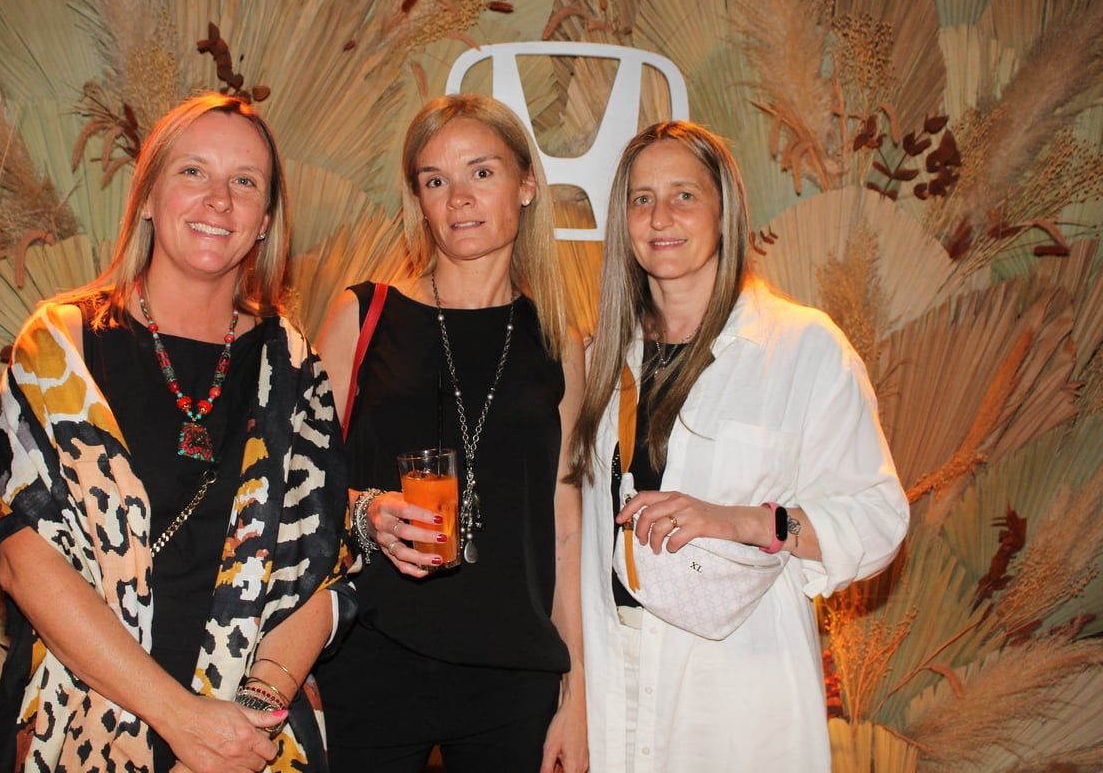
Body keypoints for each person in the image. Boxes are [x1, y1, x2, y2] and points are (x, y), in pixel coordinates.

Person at [0, 92, 354, 773]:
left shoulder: (293, 368)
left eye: (245, 182)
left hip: (245, 743)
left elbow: (322, 572)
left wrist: (245, 725)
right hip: (78, 723)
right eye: (193, 172)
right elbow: (24, 560)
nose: (220, 200)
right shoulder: (60, 347)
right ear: (149, 197)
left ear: (265, 220)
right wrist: (182, 721)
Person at [571, 121, 909, 771]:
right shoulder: (602, 360)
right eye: (641, 199)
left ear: (724, 212)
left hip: (739, 690)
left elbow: (879, 519)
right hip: (615, 684)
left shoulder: (802, 348)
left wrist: (743, 522)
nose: (660, 217)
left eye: (684, 195)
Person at [314, 94, 588, 773]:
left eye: (482, 173)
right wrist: (366, 511)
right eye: (435, 180)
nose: (459, 198)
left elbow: (565, 527)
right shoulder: (364, 315)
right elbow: (297, 489)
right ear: (420, 201)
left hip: (512, 673)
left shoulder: (559, 342)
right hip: (367, 656)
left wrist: (579, 691)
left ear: (526, 185)